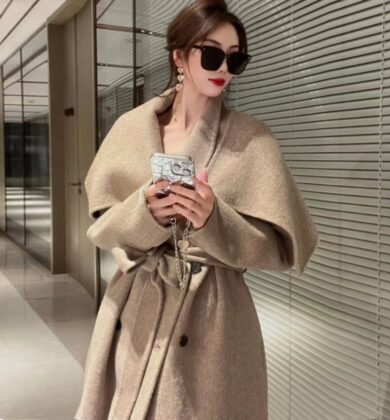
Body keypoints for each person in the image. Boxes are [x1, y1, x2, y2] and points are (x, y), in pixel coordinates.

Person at [75, 1, 319, 419]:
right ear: (179, 56)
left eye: (235, 59)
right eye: (211, 54)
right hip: (137, 305)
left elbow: (281, 249)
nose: (223, 67)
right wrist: (145, 213)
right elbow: (103, 227)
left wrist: (213, 219)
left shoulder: (252, 139)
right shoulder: (131, 128)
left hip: (214, 318)